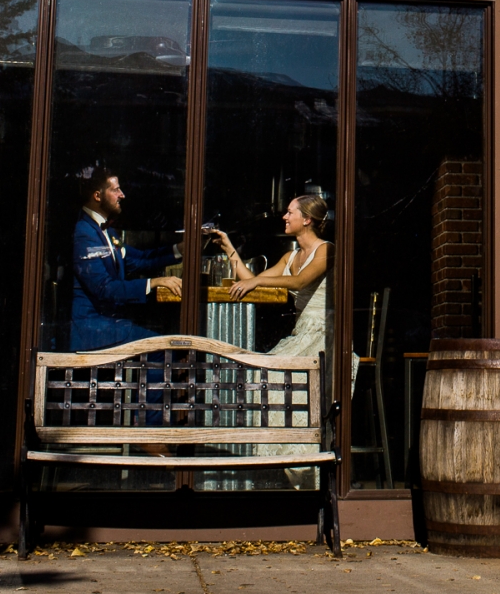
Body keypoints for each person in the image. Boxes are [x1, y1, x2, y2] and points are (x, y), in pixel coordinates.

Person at [207, 194, 352, 481]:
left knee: (281, 377)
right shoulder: (290, 256)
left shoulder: (327, 250)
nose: (284, 217)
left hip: (325, 335)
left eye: (290, 213)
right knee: (262, 375)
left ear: (307, 219)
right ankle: (281, 465)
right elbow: (250, 277)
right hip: (301, 334)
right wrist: (228, 247)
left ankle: (303, 464)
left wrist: (258, 279)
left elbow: (299, 282)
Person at [70, 164, 184, 352]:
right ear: (97, 196)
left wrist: (180, 249)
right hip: (93, 331)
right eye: (115, 190)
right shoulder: (84, 233)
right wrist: (154, 282)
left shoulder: (105, 230)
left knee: (170, 350)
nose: (122, 195)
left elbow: (140, 260)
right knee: (167, 352)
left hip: (108, 326)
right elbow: (104, 288)